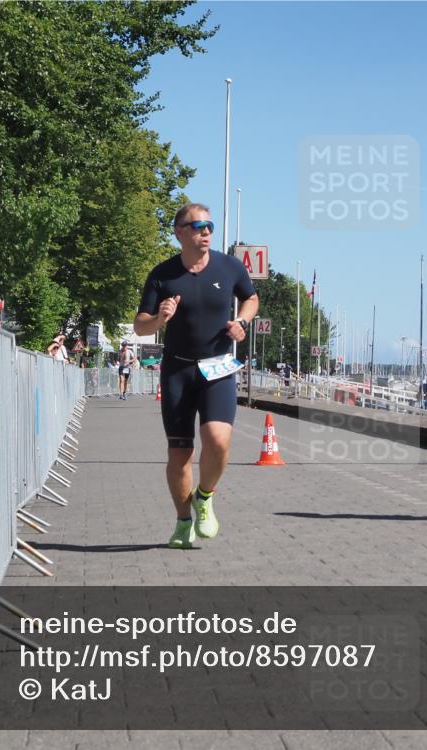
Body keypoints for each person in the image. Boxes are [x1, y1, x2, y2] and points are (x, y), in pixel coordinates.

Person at [134, 203, 259, 550]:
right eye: (197, 225)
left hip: (217, 367)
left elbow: (251, 298)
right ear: (179, 232)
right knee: (180, 454)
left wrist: (242, 323)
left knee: (218, 440)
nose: (205, 231)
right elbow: (139, 325)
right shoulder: (163, 275)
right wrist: (160, 318)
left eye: (209, 225)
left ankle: (204, 496)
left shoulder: (229, 266)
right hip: (178, 369)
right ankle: (183, 521)